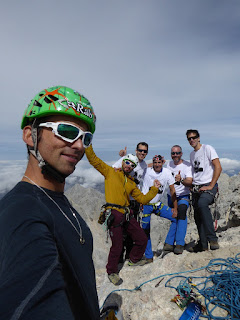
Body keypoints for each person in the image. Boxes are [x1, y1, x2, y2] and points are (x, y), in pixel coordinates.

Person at [0, 86, 100, 320]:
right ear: (30, 135)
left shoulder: (57, 201)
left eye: (85, 138)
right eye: (66, 131)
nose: (78, 145)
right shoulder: (22, 211)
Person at [85, 146, 160, 285]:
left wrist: (154, 188)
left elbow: (142, 199)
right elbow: (94, 160)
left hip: (127, 213)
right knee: (117, 246)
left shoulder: (131, 183)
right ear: (123, 162)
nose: (129, 166)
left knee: (141, 239)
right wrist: (87, 145)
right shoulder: (110, 173)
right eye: (127, 163)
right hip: (114, 213)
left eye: (132, 165)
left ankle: (133, 260)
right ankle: (111, 271)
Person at [186, 129, 222, 252]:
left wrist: (211, 185)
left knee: (202, 204)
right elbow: (195, 172)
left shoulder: (208, 149)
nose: (192, 140)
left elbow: (218, 166)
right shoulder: (192, 154)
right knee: (197, 215)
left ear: (199, 137)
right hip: (196, 188)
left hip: (208, 186)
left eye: (194, 137)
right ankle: (203, 245)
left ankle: (213, 239)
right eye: (189, 138)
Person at [141, 155, 178, 262]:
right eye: (155, 163)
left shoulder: (166, 172)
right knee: (145, 230)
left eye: (159, 162)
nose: (157, 165)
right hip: (146, 205)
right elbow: (139, 168)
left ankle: (168, 243)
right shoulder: (147, 171)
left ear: (162, 163)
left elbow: (172, 190)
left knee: (175, 218)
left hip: (157, 205)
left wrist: (175, 208)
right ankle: (148, 256)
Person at [166, 145, 193, 254]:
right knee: (174, 216)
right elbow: (155, 167)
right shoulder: (168, 164)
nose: (175, 155)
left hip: (183, 195)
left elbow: (190, 181)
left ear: (181, 153)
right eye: (173, 153)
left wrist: (181, 180)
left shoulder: (187, 166)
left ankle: (179, 244)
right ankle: (169, 243)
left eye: (177, 153)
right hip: (171, 197)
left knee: (181, 212)